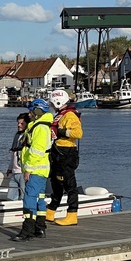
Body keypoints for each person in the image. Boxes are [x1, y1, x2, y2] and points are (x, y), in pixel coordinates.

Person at [11, 98, 53, 241]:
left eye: (31, 111)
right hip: (41, 170)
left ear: (37, 111)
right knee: (40, 198)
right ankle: (39, 228)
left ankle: (27, 231)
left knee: (29, 199)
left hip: (35, 170)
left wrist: (28, 169)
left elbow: (36, 151)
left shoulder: (40, 128)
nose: (29, 114)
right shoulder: (40, 126)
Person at [47, 89, 83, 226]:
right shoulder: (60, 115)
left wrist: (60, 131)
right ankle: (50, 211)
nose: (51, 105)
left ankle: (72, 214)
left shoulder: (70, 115)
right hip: (57, 151)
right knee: (56, 182)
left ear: (58, 101)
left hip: (66, 152)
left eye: (52, 102)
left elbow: (78, 133)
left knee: (69, 184)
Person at [6, 112, 30, 200]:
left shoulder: (28, 136)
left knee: (24, 196)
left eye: (22, 124)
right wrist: (10, 168)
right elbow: (13, 154)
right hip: (14, 172)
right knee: (10, 197)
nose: (19, 125)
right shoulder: (17, 136)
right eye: (18, 123)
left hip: (23, 172)